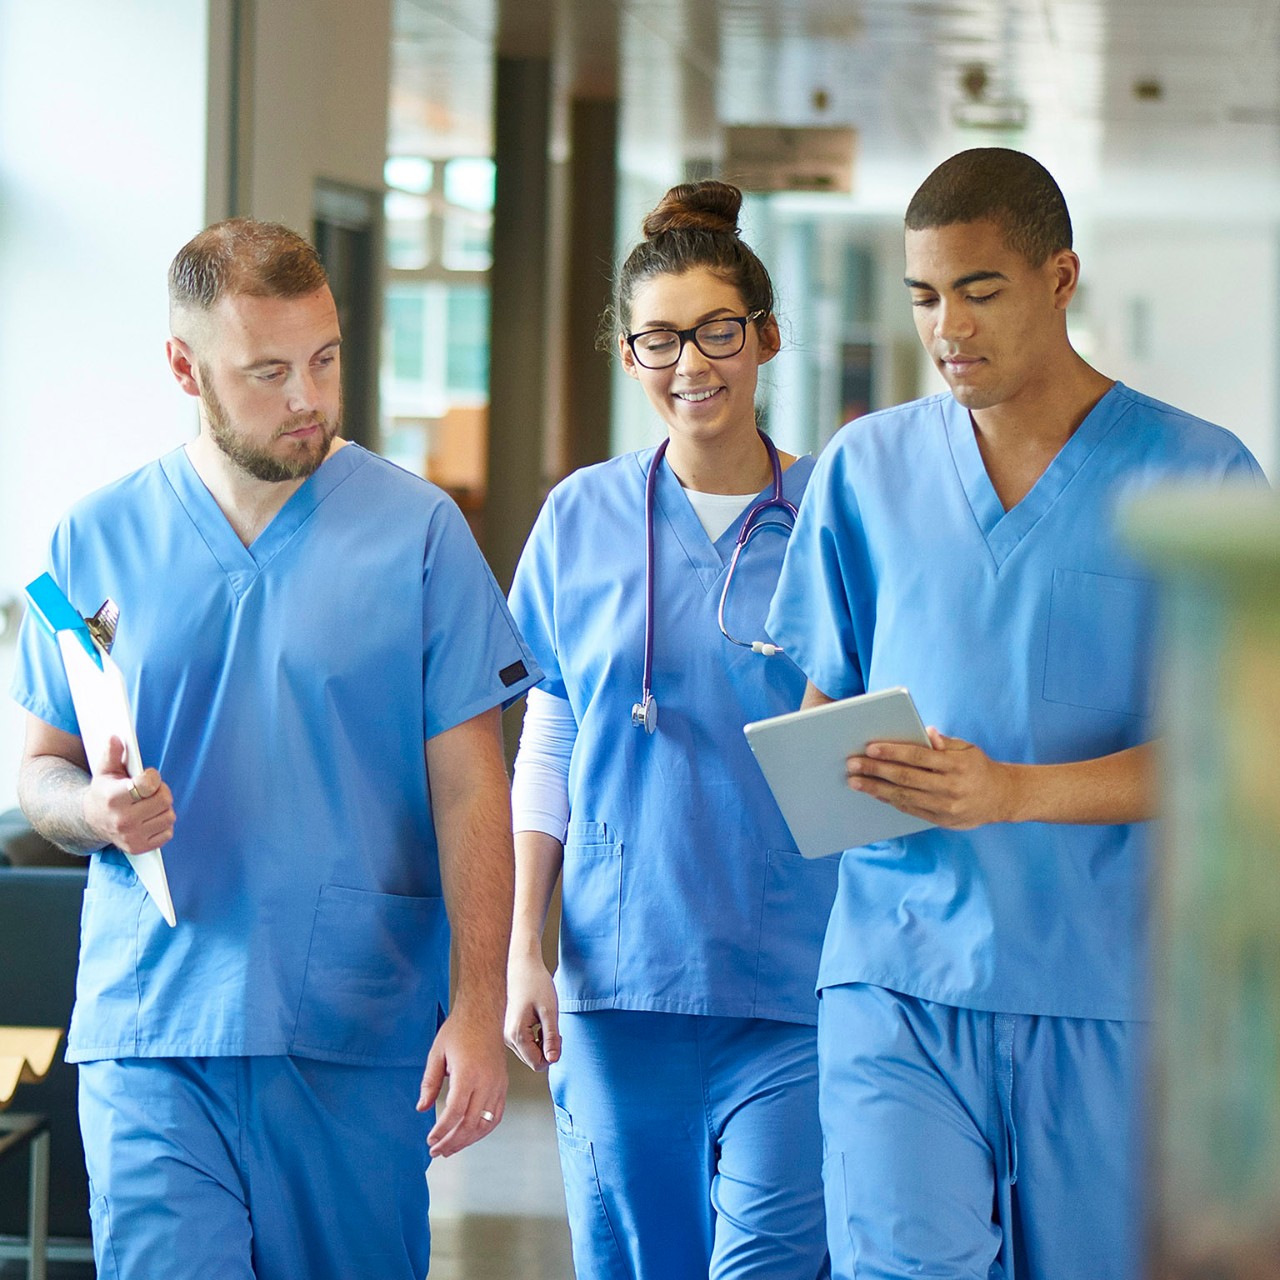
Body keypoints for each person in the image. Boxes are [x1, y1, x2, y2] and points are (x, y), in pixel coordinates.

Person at [767, 147, 1268, 1280]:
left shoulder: (1199, 473)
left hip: (1107, 994)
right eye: (924, 296)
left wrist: (1012, 793)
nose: (947, 327)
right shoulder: (866, 469)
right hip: (895, 976)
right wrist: (837, 770)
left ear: (1058, 277)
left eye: (978, 290)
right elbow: (824, 695)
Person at [11, 218, 540, 1280]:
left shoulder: (418, 532)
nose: (308, 395)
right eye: (268, 370)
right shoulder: (95, 534)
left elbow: (471, 790)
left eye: (324, 359)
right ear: (183, 366)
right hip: (153, 1019)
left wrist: (479, 1009)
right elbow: (40, 769)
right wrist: (89, 811)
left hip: (351, 1020)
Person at [504, 180, 835, 1280]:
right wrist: (524, 945)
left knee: (770, 1263)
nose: (689, 364)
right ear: (628, 351)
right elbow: (547, 743)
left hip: (796, 974)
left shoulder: (832, 519)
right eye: (658, 339)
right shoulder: (578, 517)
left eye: (716, 331)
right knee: (634, 1262)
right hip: (619, 976)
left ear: (766, 337)